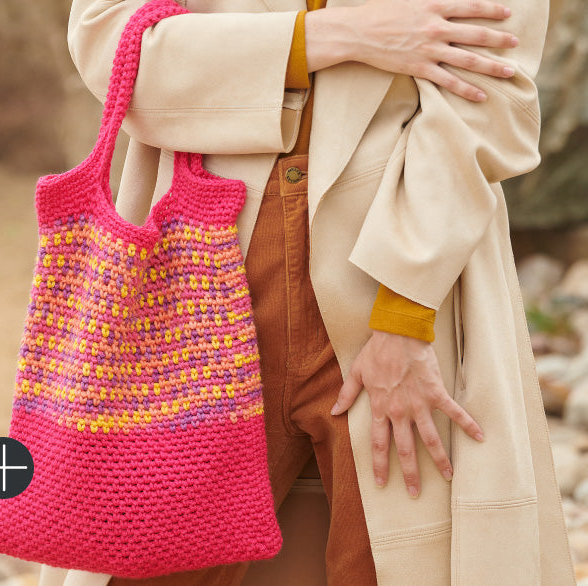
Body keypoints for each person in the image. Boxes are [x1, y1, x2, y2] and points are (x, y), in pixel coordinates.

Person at [39, 0, 575, 584]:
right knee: (147, 555)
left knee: (390, 562)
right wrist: (330, 35)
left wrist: (404, 313)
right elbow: (111, 45)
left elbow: (491, 106)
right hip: (195, 265)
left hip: (399, 276)